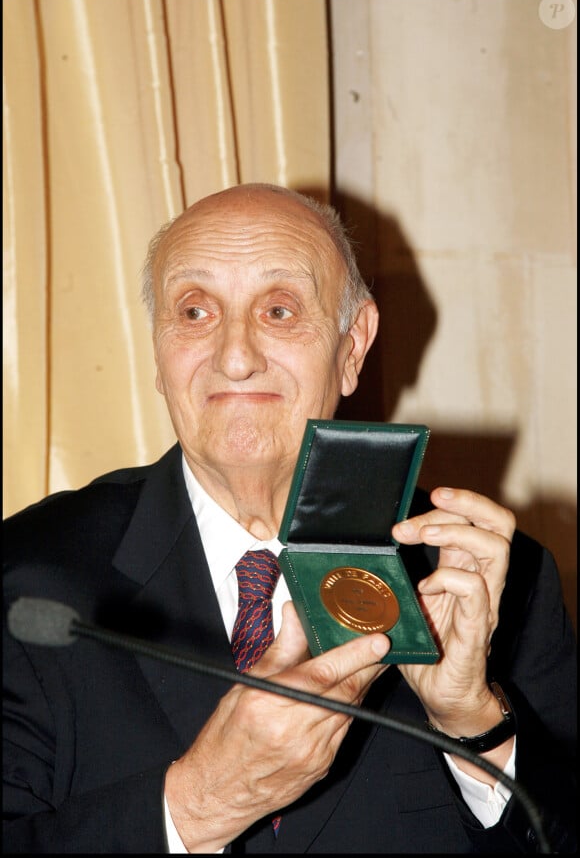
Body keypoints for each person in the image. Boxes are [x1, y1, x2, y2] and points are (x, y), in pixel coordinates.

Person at [3, 183, 576, 854]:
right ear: (158, 351)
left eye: (279, 310)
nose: (236, 355)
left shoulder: (486, 581)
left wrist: (472, 723)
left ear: (353, 344)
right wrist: (196, 806)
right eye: (194, 311)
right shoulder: (27, 579)